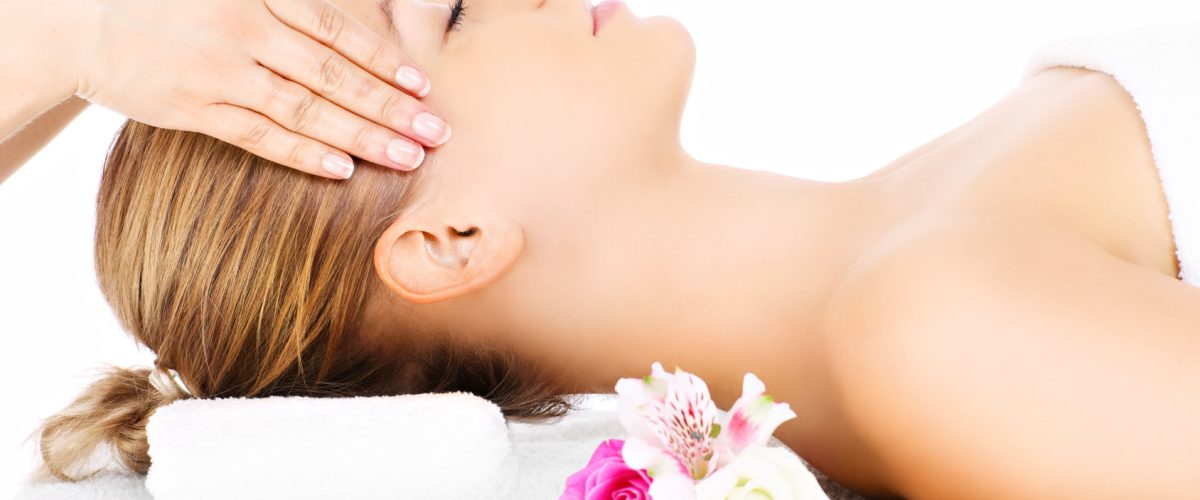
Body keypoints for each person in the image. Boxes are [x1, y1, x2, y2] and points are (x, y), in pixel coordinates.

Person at [10, 0, 1200, 498]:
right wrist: (68, 31)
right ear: (450, 237)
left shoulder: (929, 252)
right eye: (461, 14)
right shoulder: (942, 334)